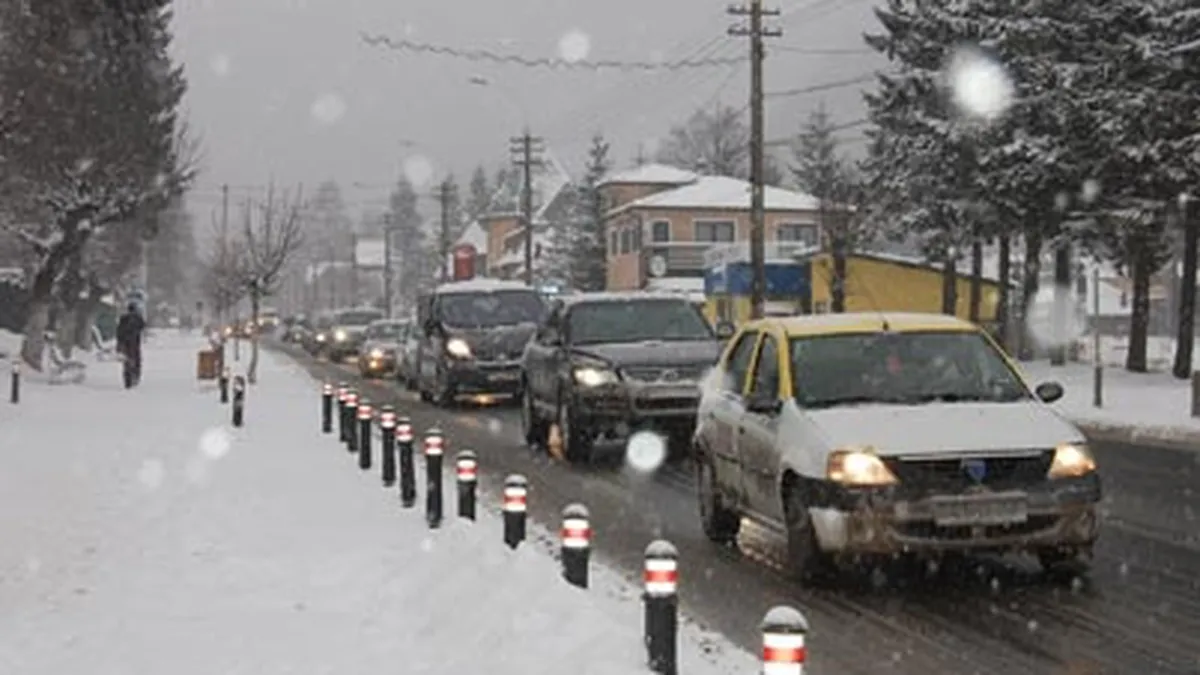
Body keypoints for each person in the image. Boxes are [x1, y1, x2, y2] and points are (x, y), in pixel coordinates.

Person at [115, 302, 145, 388]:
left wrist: (119, 343)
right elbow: (142, 326)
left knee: (127, 360)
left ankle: (128, 378)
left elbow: (119, 331)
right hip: (134, 342)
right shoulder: (138, 318)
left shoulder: (124, 318)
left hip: (125, 342)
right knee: (136, 358)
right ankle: (135, 375)